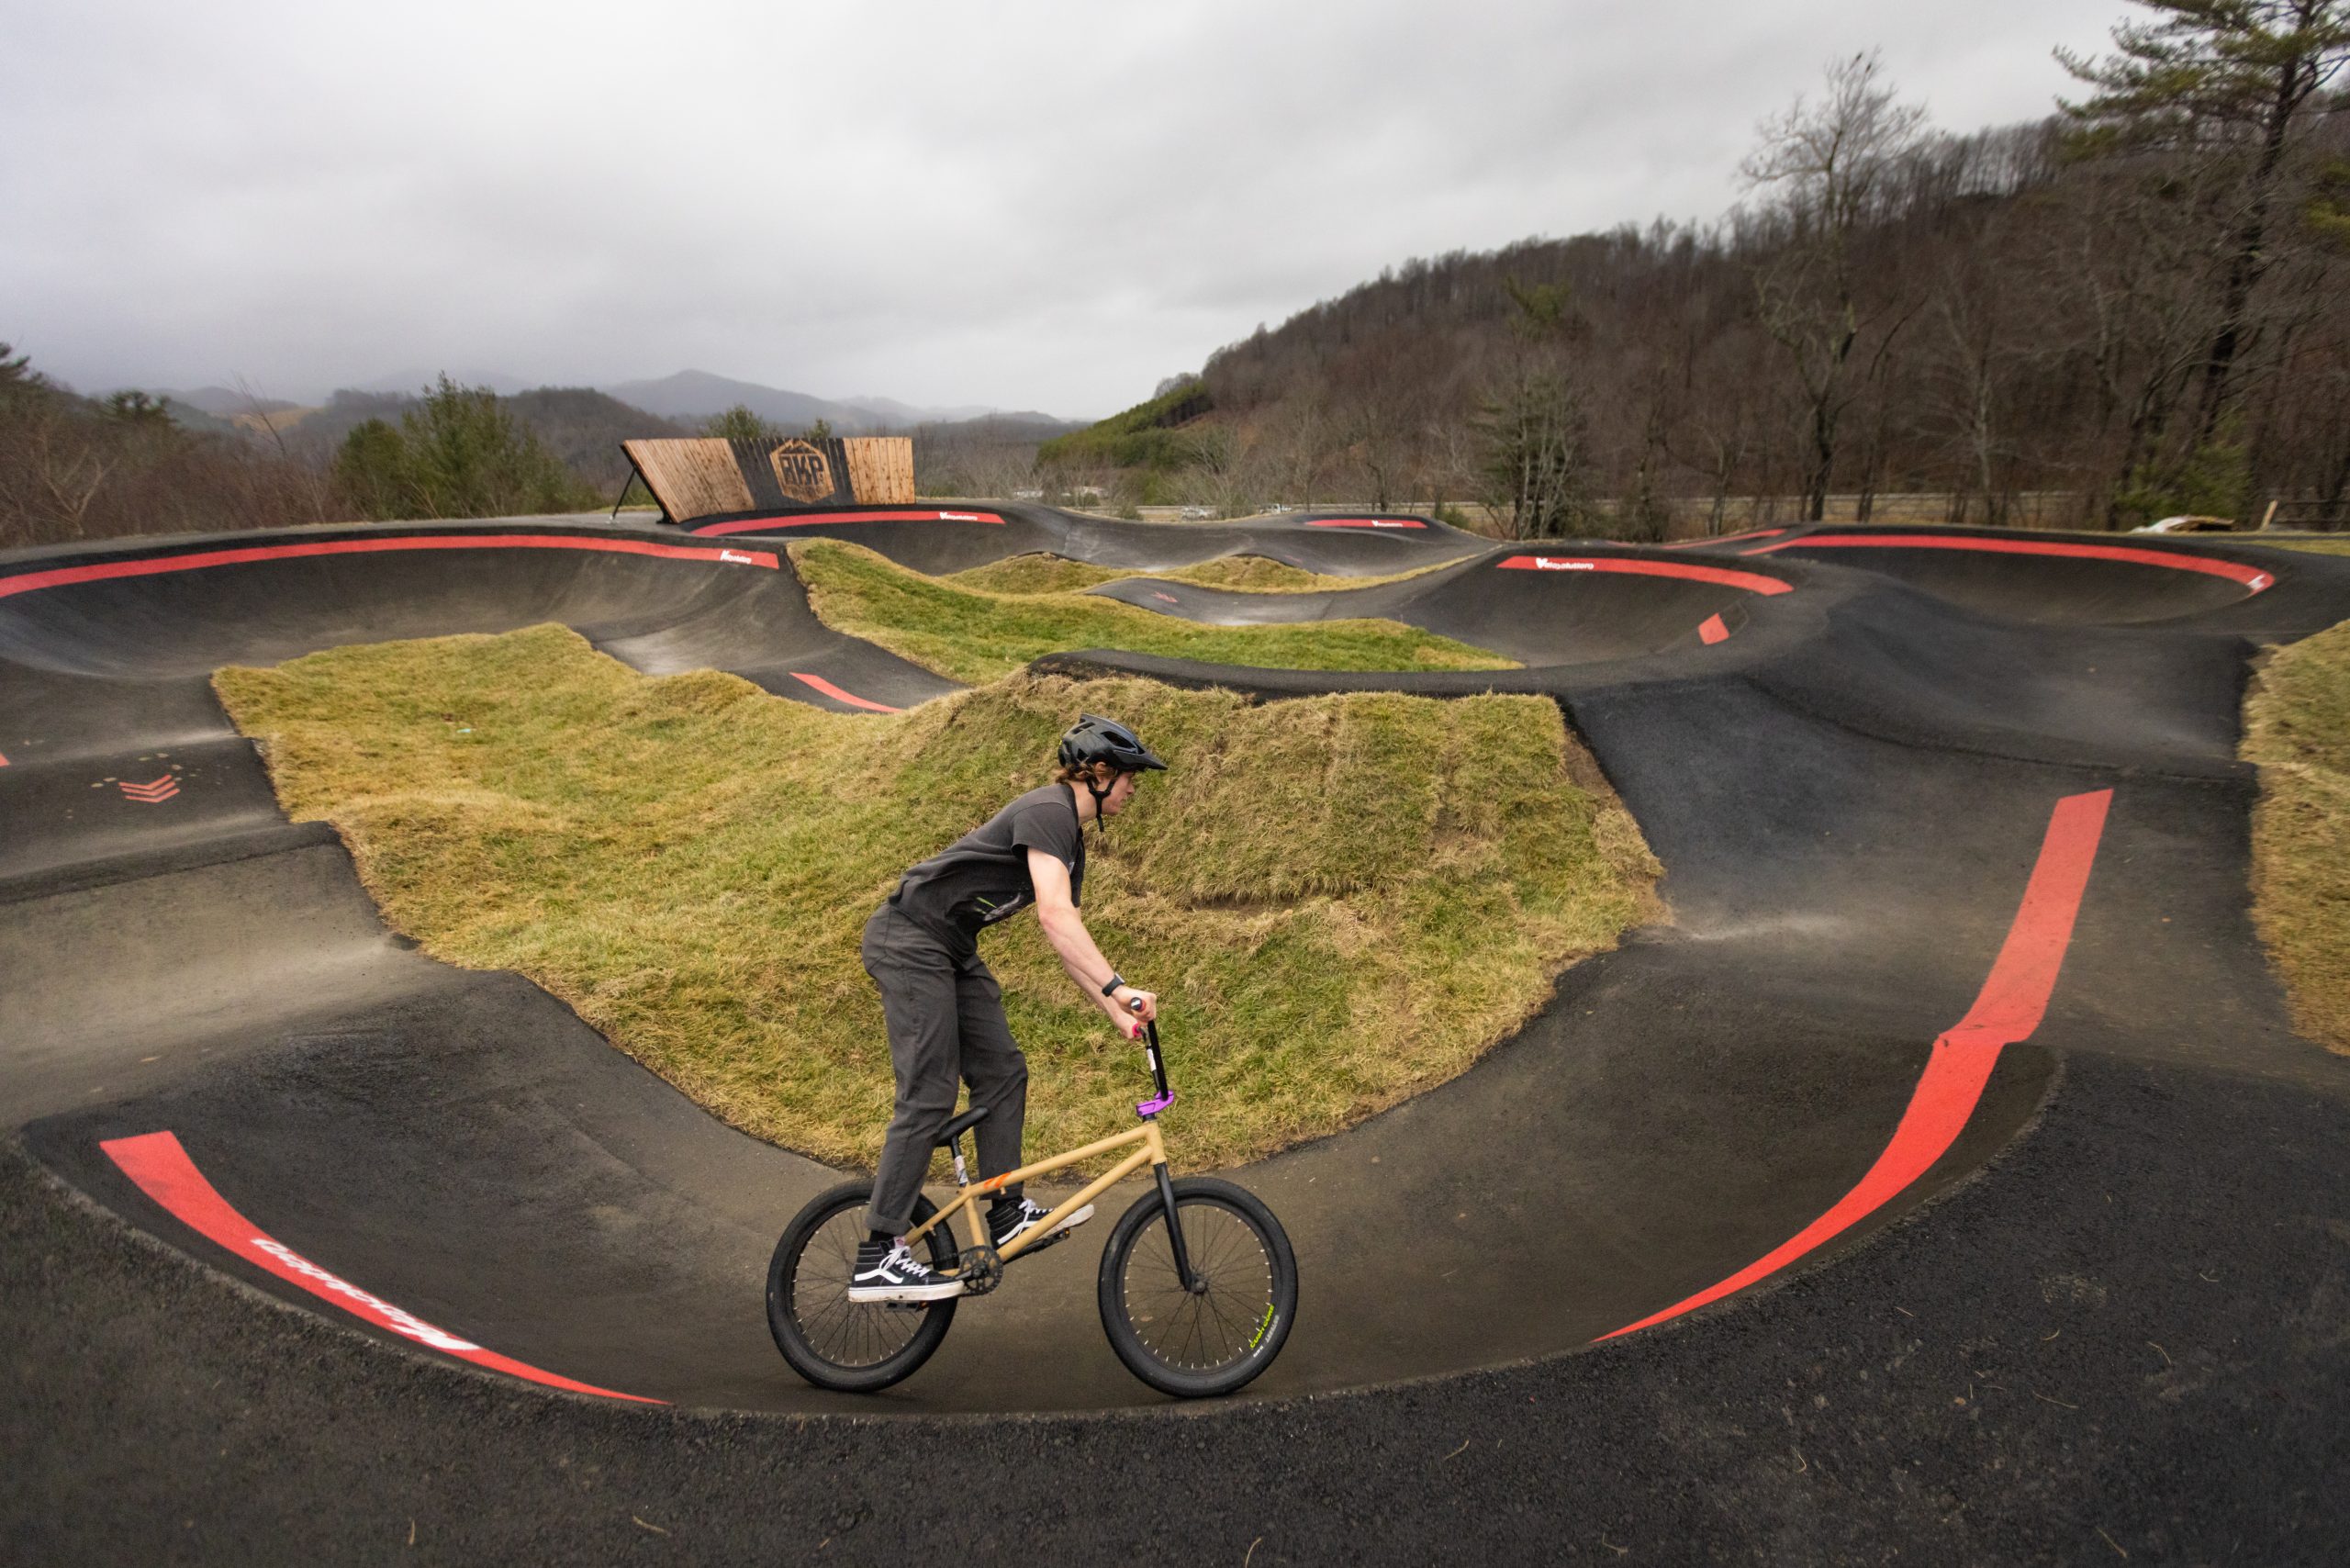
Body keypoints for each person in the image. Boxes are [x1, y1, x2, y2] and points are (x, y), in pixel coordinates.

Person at [848, 713, 1167, 1303]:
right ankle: (877, 1255)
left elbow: (1064, 937)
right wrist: (1120, 985)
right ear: (1097, 773)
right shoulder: (1049, 811)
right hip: (908, 939)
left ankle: (1003, 1212)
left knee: (1001, 1071)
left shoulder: (1069, 843)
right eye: (1127, 777)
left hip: (950, 947)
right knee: (930, 1090)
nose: (1131, 789)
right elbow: (1054, 916)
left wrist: (1115, 1012)